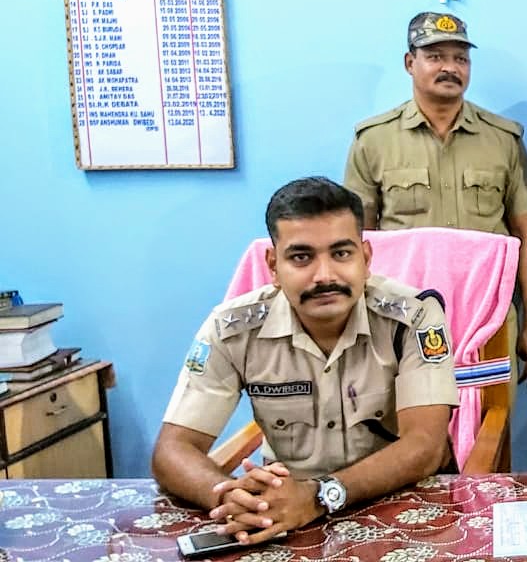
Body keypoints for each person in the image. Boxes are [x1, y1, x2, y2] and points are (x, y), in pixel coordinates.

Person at [152, 177, 458, 546]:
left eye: (341, 254)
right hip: (287, 519)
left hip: (400, 507)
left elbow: (426, 445)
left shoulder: (413, 317)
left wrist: (319, 496)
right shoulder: (231, 329)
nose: (324, 275)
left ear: (366, 258)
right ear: (273, 266)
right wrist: (230, 497)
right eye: (301, 257)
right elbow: (172, 450)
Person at [344, 12, 527, 387]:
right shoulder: (374, 141)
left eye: (460, 58)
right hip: (402, 317)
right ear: (410, 62)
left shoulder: (502, 139)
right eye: (435, 56)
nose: (450, 68)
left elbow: (526, 237)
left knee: (491, 420)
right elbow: (358, 242)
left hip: (488, 317)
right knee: (408, 421)